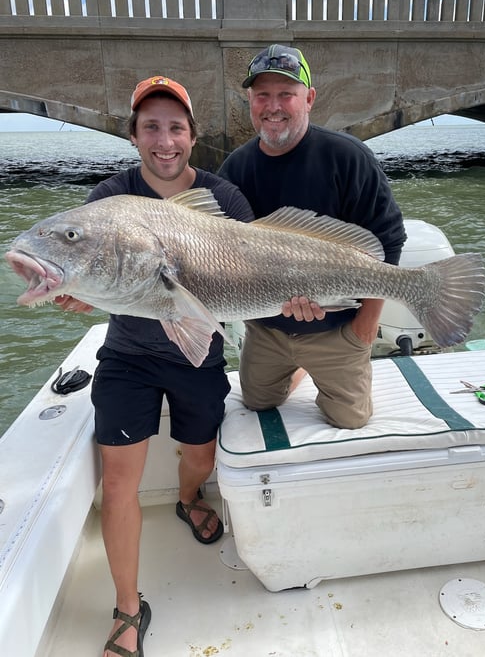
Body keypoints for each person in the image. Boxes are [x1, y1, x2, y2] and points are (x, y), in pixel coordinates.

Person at [56, 76, 254, 657]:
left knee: (199, 456)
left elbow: (249, 272)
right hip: (128, 357)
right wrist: (78, 291)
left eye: (175, 128)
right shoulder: (110, 199)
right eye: (151, 128)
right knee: (119, 481)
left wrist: (293, 301)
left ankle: (191, 498)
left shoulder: (225, 199)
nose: (163, 141)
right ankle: (126, 607)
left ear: (192, 135)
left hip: (200, 356)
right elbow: (100, 275)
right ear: (135, 135)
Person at [218, 44, 407, 431]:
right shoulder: (235, 167)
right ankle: (296, 368)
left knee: (350, 420)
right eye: (262, 95)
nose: (273, 106)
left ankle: (321, 364)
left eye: (286, 93)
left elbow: (389, 241)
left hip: (337, 329)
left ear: (309, 98)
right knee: (257, 401)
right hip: (267, 328)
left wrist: (365, 327)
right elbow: (220, 251)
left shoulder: (349, 157)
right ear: (250, 101)